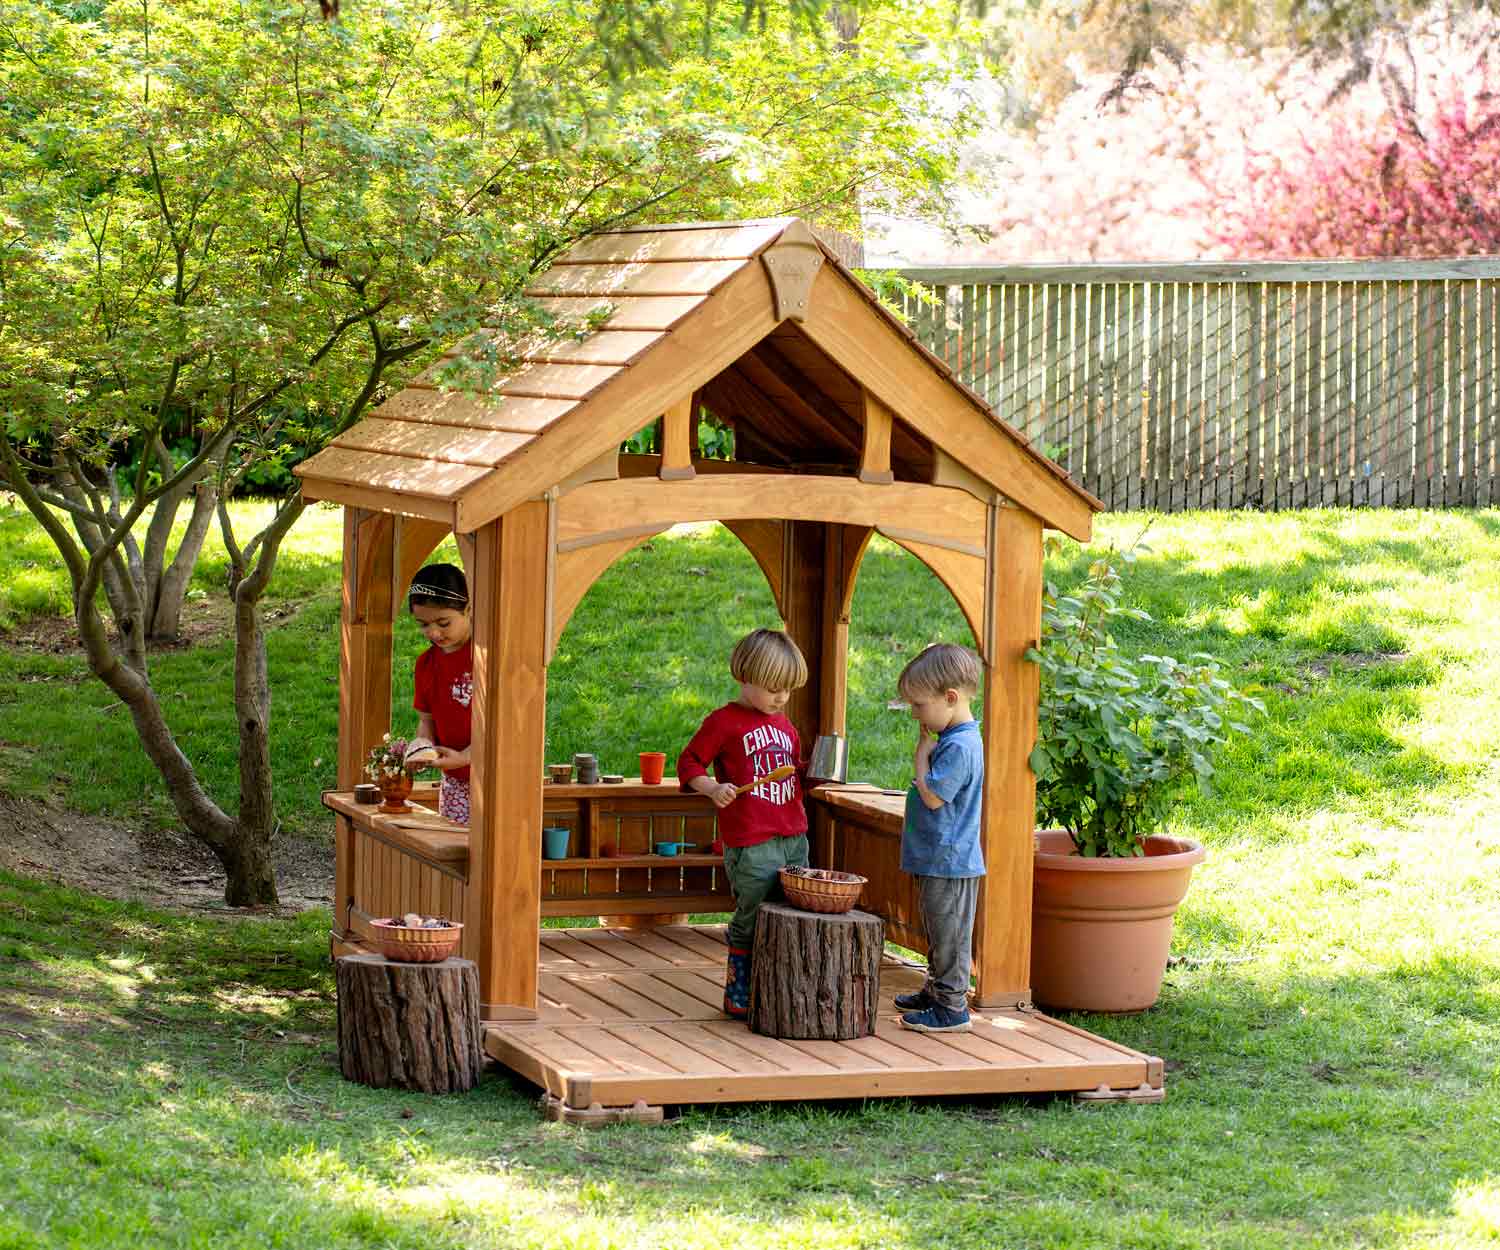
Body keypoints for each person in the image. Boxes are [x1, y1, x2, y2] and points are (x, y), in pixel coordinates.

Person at [677, 628, 810, 1019]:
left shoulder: (785, 725)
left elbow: (793, 772)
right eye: (773, 688)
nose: (781, 697)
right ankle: (739, 985)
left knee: (791, 913)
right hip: (751, 840)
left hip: (793, 836)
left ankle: (778, 986)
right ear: (744, 676)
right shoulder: (724, 721)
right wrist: (712, 787)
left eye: (787, 689)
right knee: (753, 912)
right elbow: (688, 763)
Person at [894, 642, 986, 1034]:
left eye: (918, 705)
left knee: (950, 935)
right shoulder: (952, 740)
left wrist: (920, 754)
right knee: (937, 929)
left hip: (950, 861)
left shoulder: (961, 746)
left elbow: (933, 797)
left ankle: (952, 1007)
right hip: (937, 858)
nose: (915, 714)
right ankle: (936, 991)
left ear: (950, 698)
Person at [409, 564, 474, 824]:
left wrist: (466, 757)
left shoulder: (487, 656)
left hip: (499, 778)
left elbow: (505, 726)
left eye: (443, 623)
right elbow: (427, 722)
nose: (434, 633)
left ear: (468, 609)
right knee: (456, 855)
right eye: (423, 624)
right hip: (455, 782)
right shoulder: (426, 665)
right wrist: (421, 746)